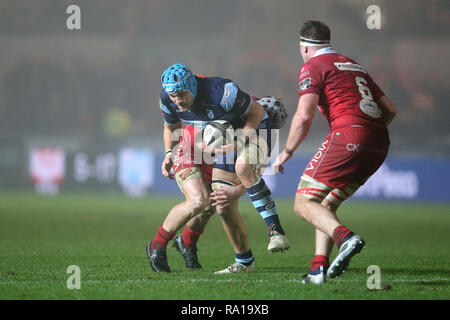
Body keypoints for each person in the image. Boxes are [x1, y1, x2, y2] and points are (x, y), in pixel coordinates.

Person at [273, 20, 397, 284]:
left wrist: (286, 151)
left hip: (348, 136)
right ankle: (318, 270)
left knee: (303, 203)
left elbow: (304, 115)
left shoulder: (312, 66)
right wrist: (367, 134)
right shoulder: (354, 65)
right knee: (325, 204)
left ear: (304, 46)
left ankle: (346, 238)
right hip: (379, 142)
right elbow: (390, 110)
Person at [146, 63, 290, 273]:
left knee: (215, 203)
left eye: (180, 95)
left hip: (216, 150)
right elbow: (171, 127)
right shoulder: (222, 95)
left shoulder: (252, 128)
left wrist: (238, 183)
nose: (177, 100)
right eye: (174, 95)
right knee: (199, 200)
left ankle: (188, 243)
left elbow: (252, 171)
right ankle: (157, 246)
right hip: (189, 147)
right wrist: (169, 152)